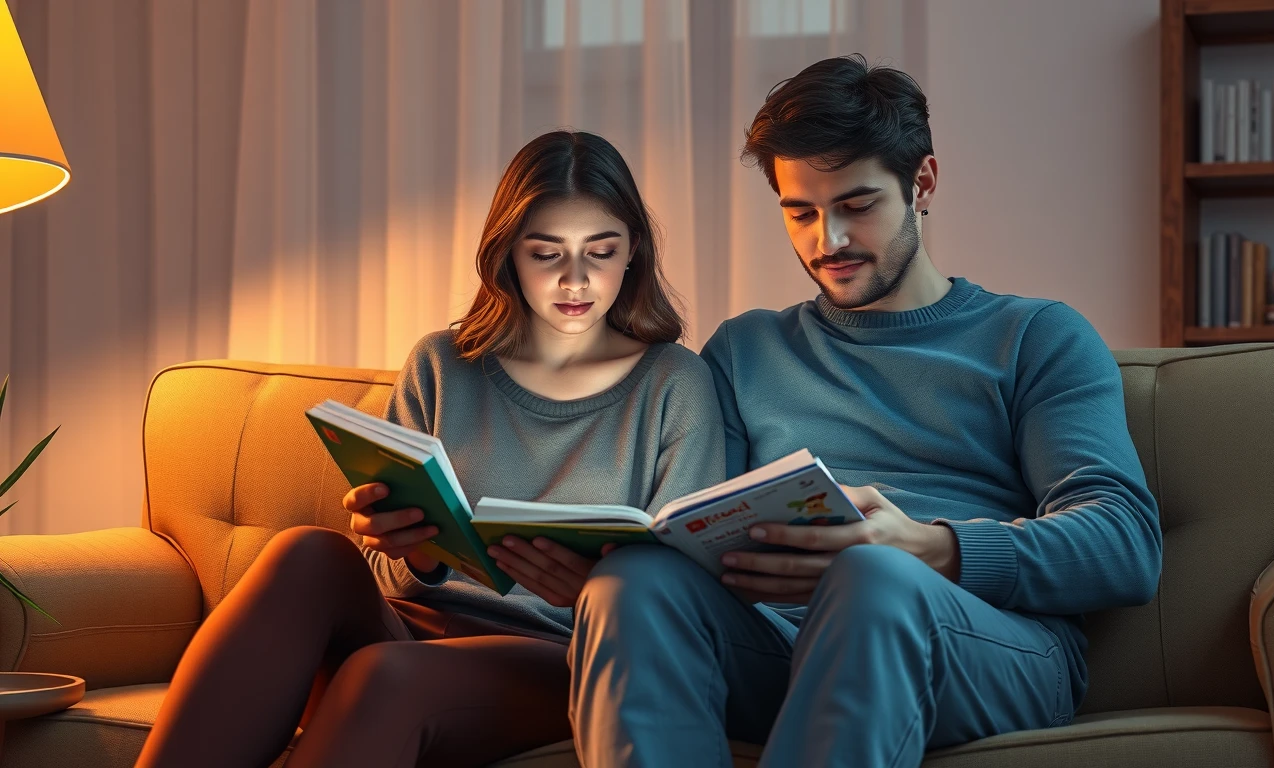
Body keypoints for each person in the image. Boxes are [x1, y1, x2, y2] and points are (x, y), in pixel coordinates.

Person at [568, 54, 1163, 768]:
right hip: (782, 645)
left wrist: (929, 547)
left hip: (985, 644)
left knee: (872, 579)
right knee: (633, 585)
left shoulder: (1035, 336)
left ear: (923, 184)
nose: (829, 241)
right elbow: (700, 535)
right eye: (801, 213)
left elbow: (1124, 543)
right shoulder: (744, 349)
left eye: (856, 205)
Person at [136, 130, 725, 768]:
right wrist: (408, 550)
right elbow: (384, 576)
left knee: (384, 676)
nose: (575, 280)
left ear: (633, 251)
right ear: (509, 256)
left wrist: (589, 587)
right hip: (415, 623)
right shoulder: (443, 364)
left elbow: (683, 598)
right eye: (546, 254)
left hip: (564, 654)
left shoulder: (674, 383)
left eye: (600, 252)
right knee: (305, 552)